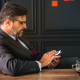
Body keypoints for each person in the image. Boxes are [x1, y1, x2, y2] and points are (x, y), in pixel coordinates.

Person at [0, 2, 80, 76]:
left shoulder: (18, 34)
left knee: (76, 60)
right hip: (31, 74)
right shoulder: (1, 40)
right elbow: (11, 67)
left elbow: (32, 56)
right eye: (21, 22)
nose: (25, 26)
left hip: (40, 68)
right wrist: (42, 63)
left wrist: (49, 62)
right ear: (8, 22)